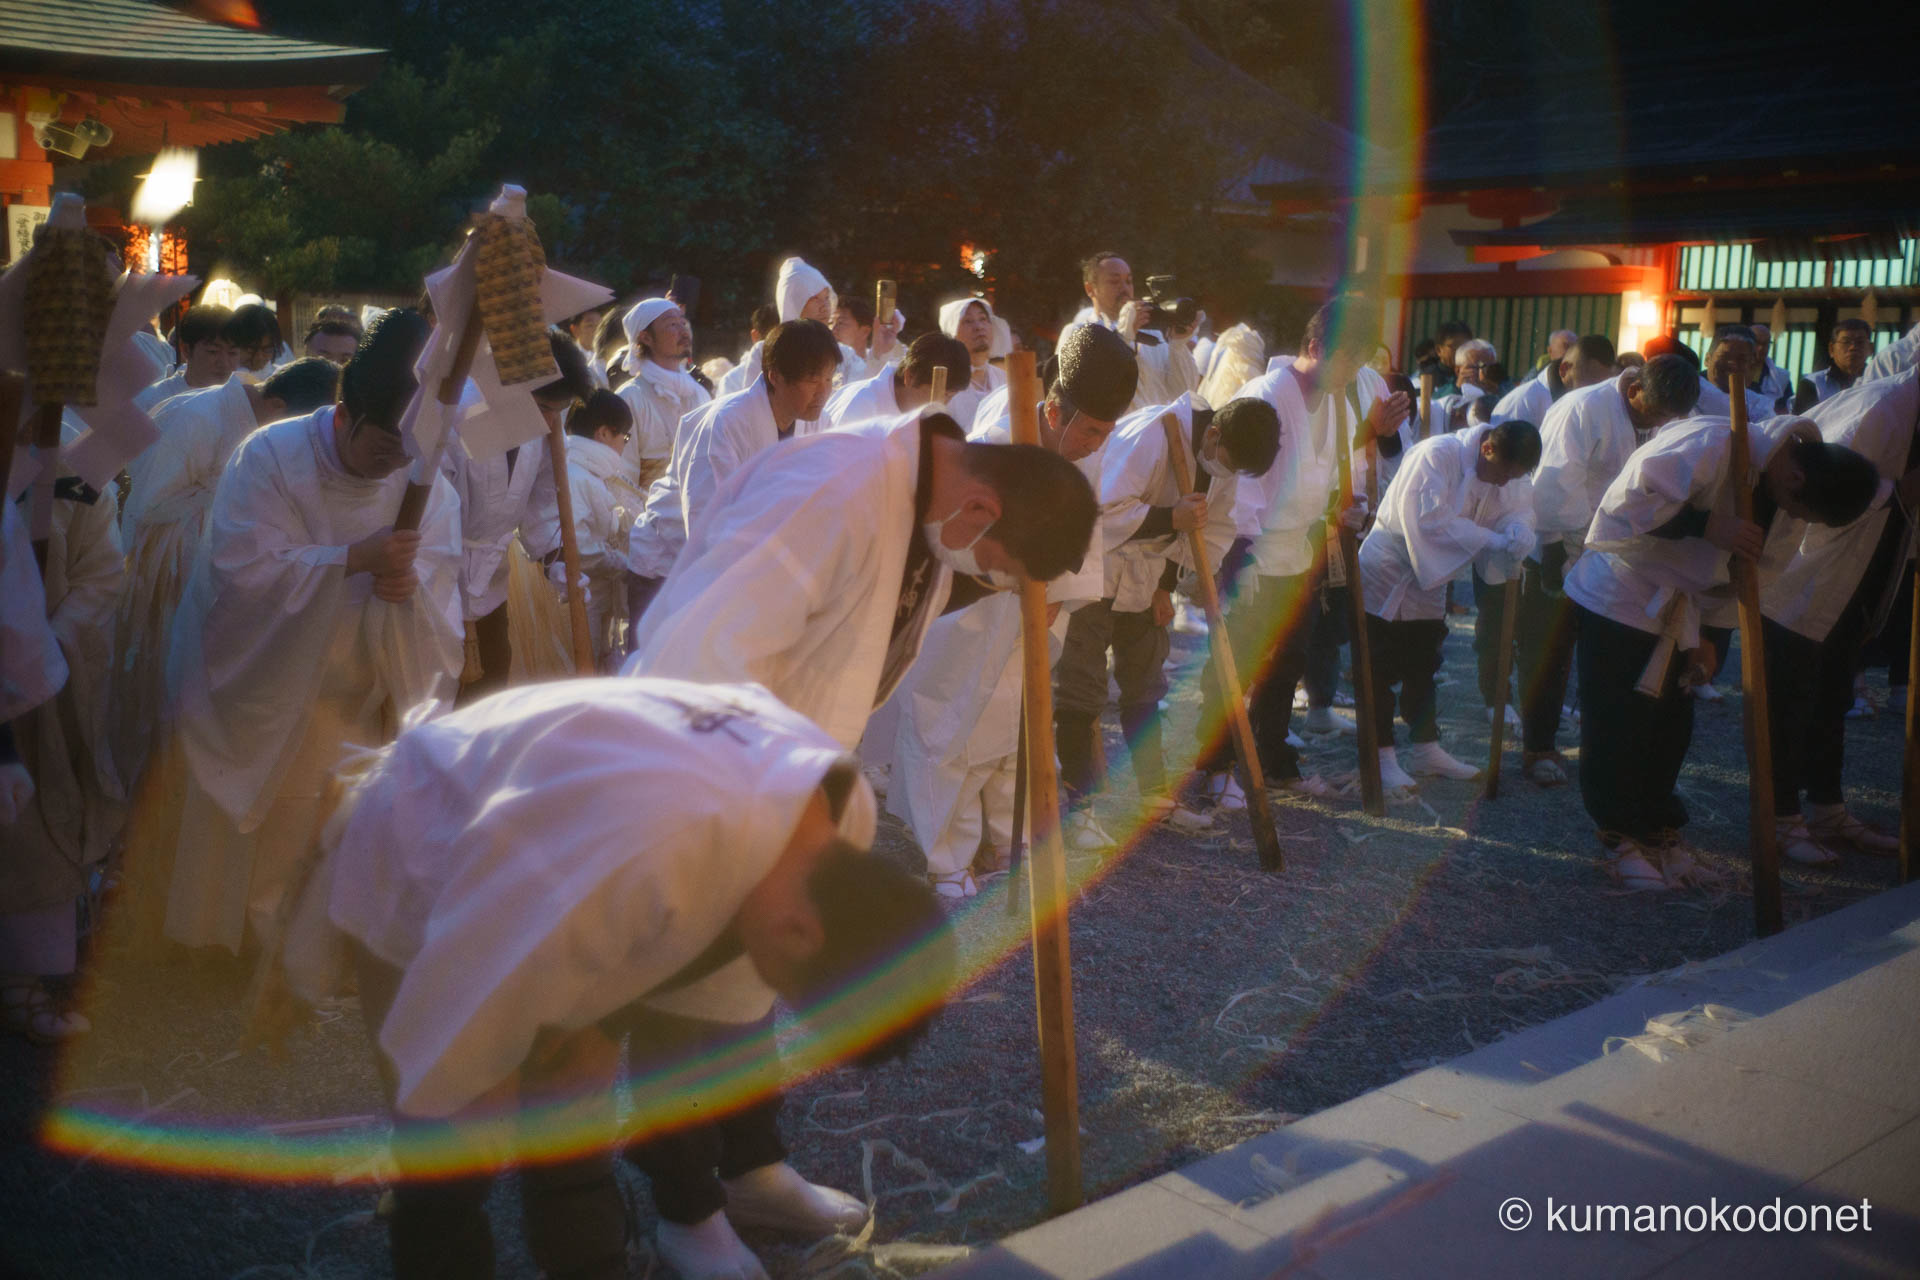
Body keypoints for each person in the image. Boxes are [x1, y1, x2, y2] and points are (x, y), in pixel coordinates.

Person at [276, 677, 953, 1280]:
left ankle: (587, 1258)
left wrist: (600, 1019)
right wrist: (494, 1080)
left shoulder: (839, 814)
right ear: (802, 934)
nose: (771, 996)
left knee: (572, 1108)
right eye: (794, 994)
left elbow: (675, 941)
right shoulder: (646, 856)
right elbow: (468, 994)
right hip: (433, 835)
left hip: (566, 843)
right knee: (451, 1143)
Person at [159, 309, 464, 954]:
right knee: (275, 804)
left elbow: (438, 583)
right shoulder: (269, 456)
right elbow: (241, 573)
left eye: (407, 452)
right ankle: (239, 938)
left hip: (358, 680)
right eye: (382, 446)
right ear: (344, 414)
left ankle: (323, 938)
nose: (392, 465)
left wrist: (408, 588)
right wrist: (352, 560)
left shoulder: (426, 483)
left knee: (338, 807)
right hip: (268, 674)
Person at [1565, 414, 1876, 890]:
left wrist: (1712, 635)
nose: (1794, 519)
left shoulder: (1782, 488)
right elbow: (1622, 506)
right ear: (1796, 477)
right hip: (1623, 594)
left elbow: (1755, 571)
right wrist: (1704, 523)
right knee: (1619, 722)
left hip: (1688, 609)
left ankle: (1657, 833)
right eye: (1800, 509)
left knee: (1669, 725)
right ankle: (1617, 839)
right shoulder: (1710, 442)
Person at [889, 323, 1137, 874]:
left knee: (1014, 729)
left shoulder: (1087, 448)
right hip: (973, 607)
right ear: (1054, 413)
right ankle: (944, 858)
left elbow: (1084, 529)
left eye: (1105, 432)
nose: (1096, 444)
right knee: (948, 727)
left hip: (1036, 610)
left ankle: (1009, 840)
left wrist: (1059, 594)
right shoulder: (999, 444)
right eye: (1090, 430)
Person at [1195, 297, 1408, 808]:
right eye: (1347, 360)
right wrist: (1240, 567)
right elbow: (1241, 490)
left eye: (1360, 362)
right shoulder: (1266, 397)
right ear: (1315, 346)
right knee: (1236, 663)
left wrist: (1345, 503)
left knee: (1287, 662)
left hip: (1303, 547)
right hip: (1252, 546)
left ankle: (1273, 759)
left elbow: (1335, 468)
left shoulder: (1337, 399)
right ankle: (1216, 766)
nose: (1353, 373)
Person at [109, 358, 343, 789]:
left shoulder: (245, 418)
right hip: (170, 570)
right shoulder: (198, 418)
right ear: (276, 404)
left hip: (217, 562)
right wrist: (232, 496)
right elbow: (146, 510)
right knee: (166, 685)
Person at [1055, 393, 1279, 836]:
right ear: (1213, 434)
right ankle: (1083, 811)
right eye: (1229, 462)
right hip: (1094, 570)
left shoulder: (1222, 456)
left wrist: (1167, 584)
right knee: (1082, 690)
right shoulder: (1152, 436)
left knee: (1145, 684)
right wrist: (1168, 518)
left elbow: (1212, 526)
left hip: (1147, 578)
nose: (1228, 473)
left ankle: (1153, 797)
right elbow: (1100, 511)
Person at [1510, 354, 1701, 786]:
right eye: (1652, 411)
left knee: (1609, 649)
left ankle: (1606, 741)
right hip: (1560, 540)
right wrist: (1556, 547)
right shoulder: (1583, 409)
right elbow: (1552, 482)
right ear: (1634, 389)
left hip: (1622, 545)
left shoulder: (1670, 412)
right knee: (1549, 650)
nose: (1658, 420)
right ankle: (1538, 744)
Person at [1761, 366, 1920, 863]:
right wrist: (1897, 490)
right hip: (1809, 575)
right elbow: (1816, 486)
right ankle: (1780, 817)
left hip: (1867, 574)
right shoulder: (1881, 406)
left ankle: (1827, 809)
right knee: (1790, 697)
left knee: (1834, 694)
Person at [1, 429, 122, 1043]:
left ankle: (24, 978)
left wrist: (44, 647)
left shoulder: (77, 459)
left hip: (41, 679)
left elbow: (102, 575)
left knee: (35, 826)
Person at [1358, 420, 1540, 793]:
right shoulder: (1437, 455)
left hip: (1432, 576)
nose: (1505, 483)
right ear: (1488, 449)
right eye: (1504, 474)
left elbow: (1515, 507)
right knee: (1379, 662)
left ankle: (1426, 748)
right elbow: (1429, 524)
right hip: (1391, 565)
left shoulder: (1507, 469)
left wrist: (1520, 528)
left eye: (1515, 477)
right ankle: (1382, 756)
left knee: (1424, 662)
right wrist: (1491, 539)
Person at [625, 319, 842, 622]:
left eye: (830, 380)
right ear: (775, 376)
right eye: (812, 379)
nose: (823, 392)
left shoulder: (818, 421)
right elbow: (706, 522)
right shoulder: (726, 424)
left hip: (752, 567)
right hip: (668, 566)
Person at [440, 331, 580, 702]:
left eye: (558, 410)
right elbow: (433, 514)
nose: (551, 421)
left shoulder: (546, 427)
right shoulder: (456, 415)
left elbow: (542, 502)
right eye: (544, 408)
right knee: (437, 696)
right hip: (437, 580)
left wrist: (556, 561)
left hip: (492, 581)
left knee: (491, 686)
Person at [564, 389, 644, 663]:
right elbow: (577, 548)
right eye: (625, 435)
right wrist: (623, 564)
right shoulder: (576, 476)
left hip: (599, 598)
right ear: (603, 434)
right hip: (580, 602)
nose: (625, 443)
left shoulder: (594, 473)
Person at [613, 297, 710, 489]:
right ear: (646, 337)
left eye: (682, 322)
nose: (683, 330)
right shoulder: (630, 398)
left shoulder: (698, 393)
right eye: (672, 324)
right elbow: (623, 480)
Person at [822, 333, 971, 429]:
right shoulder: (860, 406)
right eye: (941, 394)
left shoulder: (925, 415)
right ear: (910, 377)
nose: (941, 403)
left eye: (950, 396)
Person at [1492, 334, 1614, 427]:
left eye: (1601, 384)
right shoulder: (1521, 404)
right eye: (1590, 380)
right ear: (1564, 370)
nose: (1593, 390)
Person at [136, 303, 237, 410]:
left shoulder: (242, 400)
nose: (224, 363)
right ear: (186, 349)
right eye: (213, 351)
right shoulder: (152, 401)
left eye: (232, 353)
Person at [1694, 327, 1779, 420]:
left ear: (1752, 366)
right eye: (1724, 356)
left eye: (1742, 359)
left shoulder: (1760, 406)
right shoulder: (1689, 395)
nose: (1733, 364)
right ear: (1707, 359)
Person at [1795, 318, 1873, 412]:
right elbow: (1801, 424)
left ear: (1871, 349)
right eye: (1846, 342)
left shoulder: (1879, 382)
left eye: (1860, 342)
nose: (1853, 347)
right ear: (1831, 349)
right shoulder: (1812, 384)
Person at [227, 302, 284, 378]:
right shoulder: (220, 377)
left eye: (267, 350)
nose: (259, 357)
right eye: (251, 349)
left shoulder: (282, 378)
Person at [1747, 322, 1795, 412]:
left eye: (1765, 344)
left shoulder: (1782, 377)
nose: (1761, 348)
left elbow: (1786, 408)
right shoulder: (1733, 371)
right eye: (1757, 343)